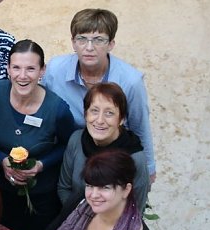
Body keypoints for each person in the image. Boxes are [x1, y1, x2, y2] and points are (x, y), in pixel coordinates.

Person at [0, 40, 75, 230]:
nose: (22, 76)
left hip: (41, 196)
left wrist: (41, 165)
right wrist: (0, 158)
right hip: (1, 192)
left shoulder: (57, 109)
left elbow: (69, 145)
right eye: (16, 68)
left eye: (31, 68)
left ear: (42, 71)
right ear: (8, 69)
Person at [42, 8, 157, 181]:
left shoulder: (130, 81)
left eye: (98, 40)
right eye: (82, 39)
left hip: (112, 156)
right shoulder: (55, 69)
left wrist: (148, 169)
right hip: (65, 154)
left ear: (111, 44)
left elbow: (139, 125)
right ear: (73, 42)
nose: (89, 48)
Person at [59, 82, 150, 213]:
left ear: (121, 119)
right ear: (85, 114)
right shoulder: (76, 140)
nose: (100, 120)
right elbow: (64, 188)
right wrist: (79, 219)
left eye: (109, 113)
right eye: (94, 111)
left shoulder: (135, 159)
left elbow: (136, 211)